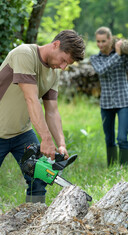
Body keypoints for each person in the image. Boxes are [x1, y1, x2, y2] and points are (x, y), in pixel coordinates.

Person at [0, 30, 85, 203]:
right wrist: (46, 139)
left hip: (21, 132)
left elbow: (52, 111)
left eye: (67, 64)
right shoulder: (24, 54)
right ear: (56, 45)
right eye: (63, 60)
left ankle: (34, 222)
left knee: (39, 176)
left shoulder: (54, 73)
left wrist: (60, 144)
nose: (63, 67)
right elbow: (31, 99)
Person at [90, 27, 128, 167]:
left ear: (110, 40)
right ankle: (112, 168)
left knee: (122, 138)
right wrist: (117, 55)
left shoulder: (122, 55)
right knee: (109, 139)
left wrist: (127, 55)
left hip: (124, 101)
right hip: (106, 104)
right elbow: (101, 70)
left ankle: (123, 169)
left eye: (103, 41)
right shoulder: (95, 58)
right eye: (98, 41)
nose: (100, 44)